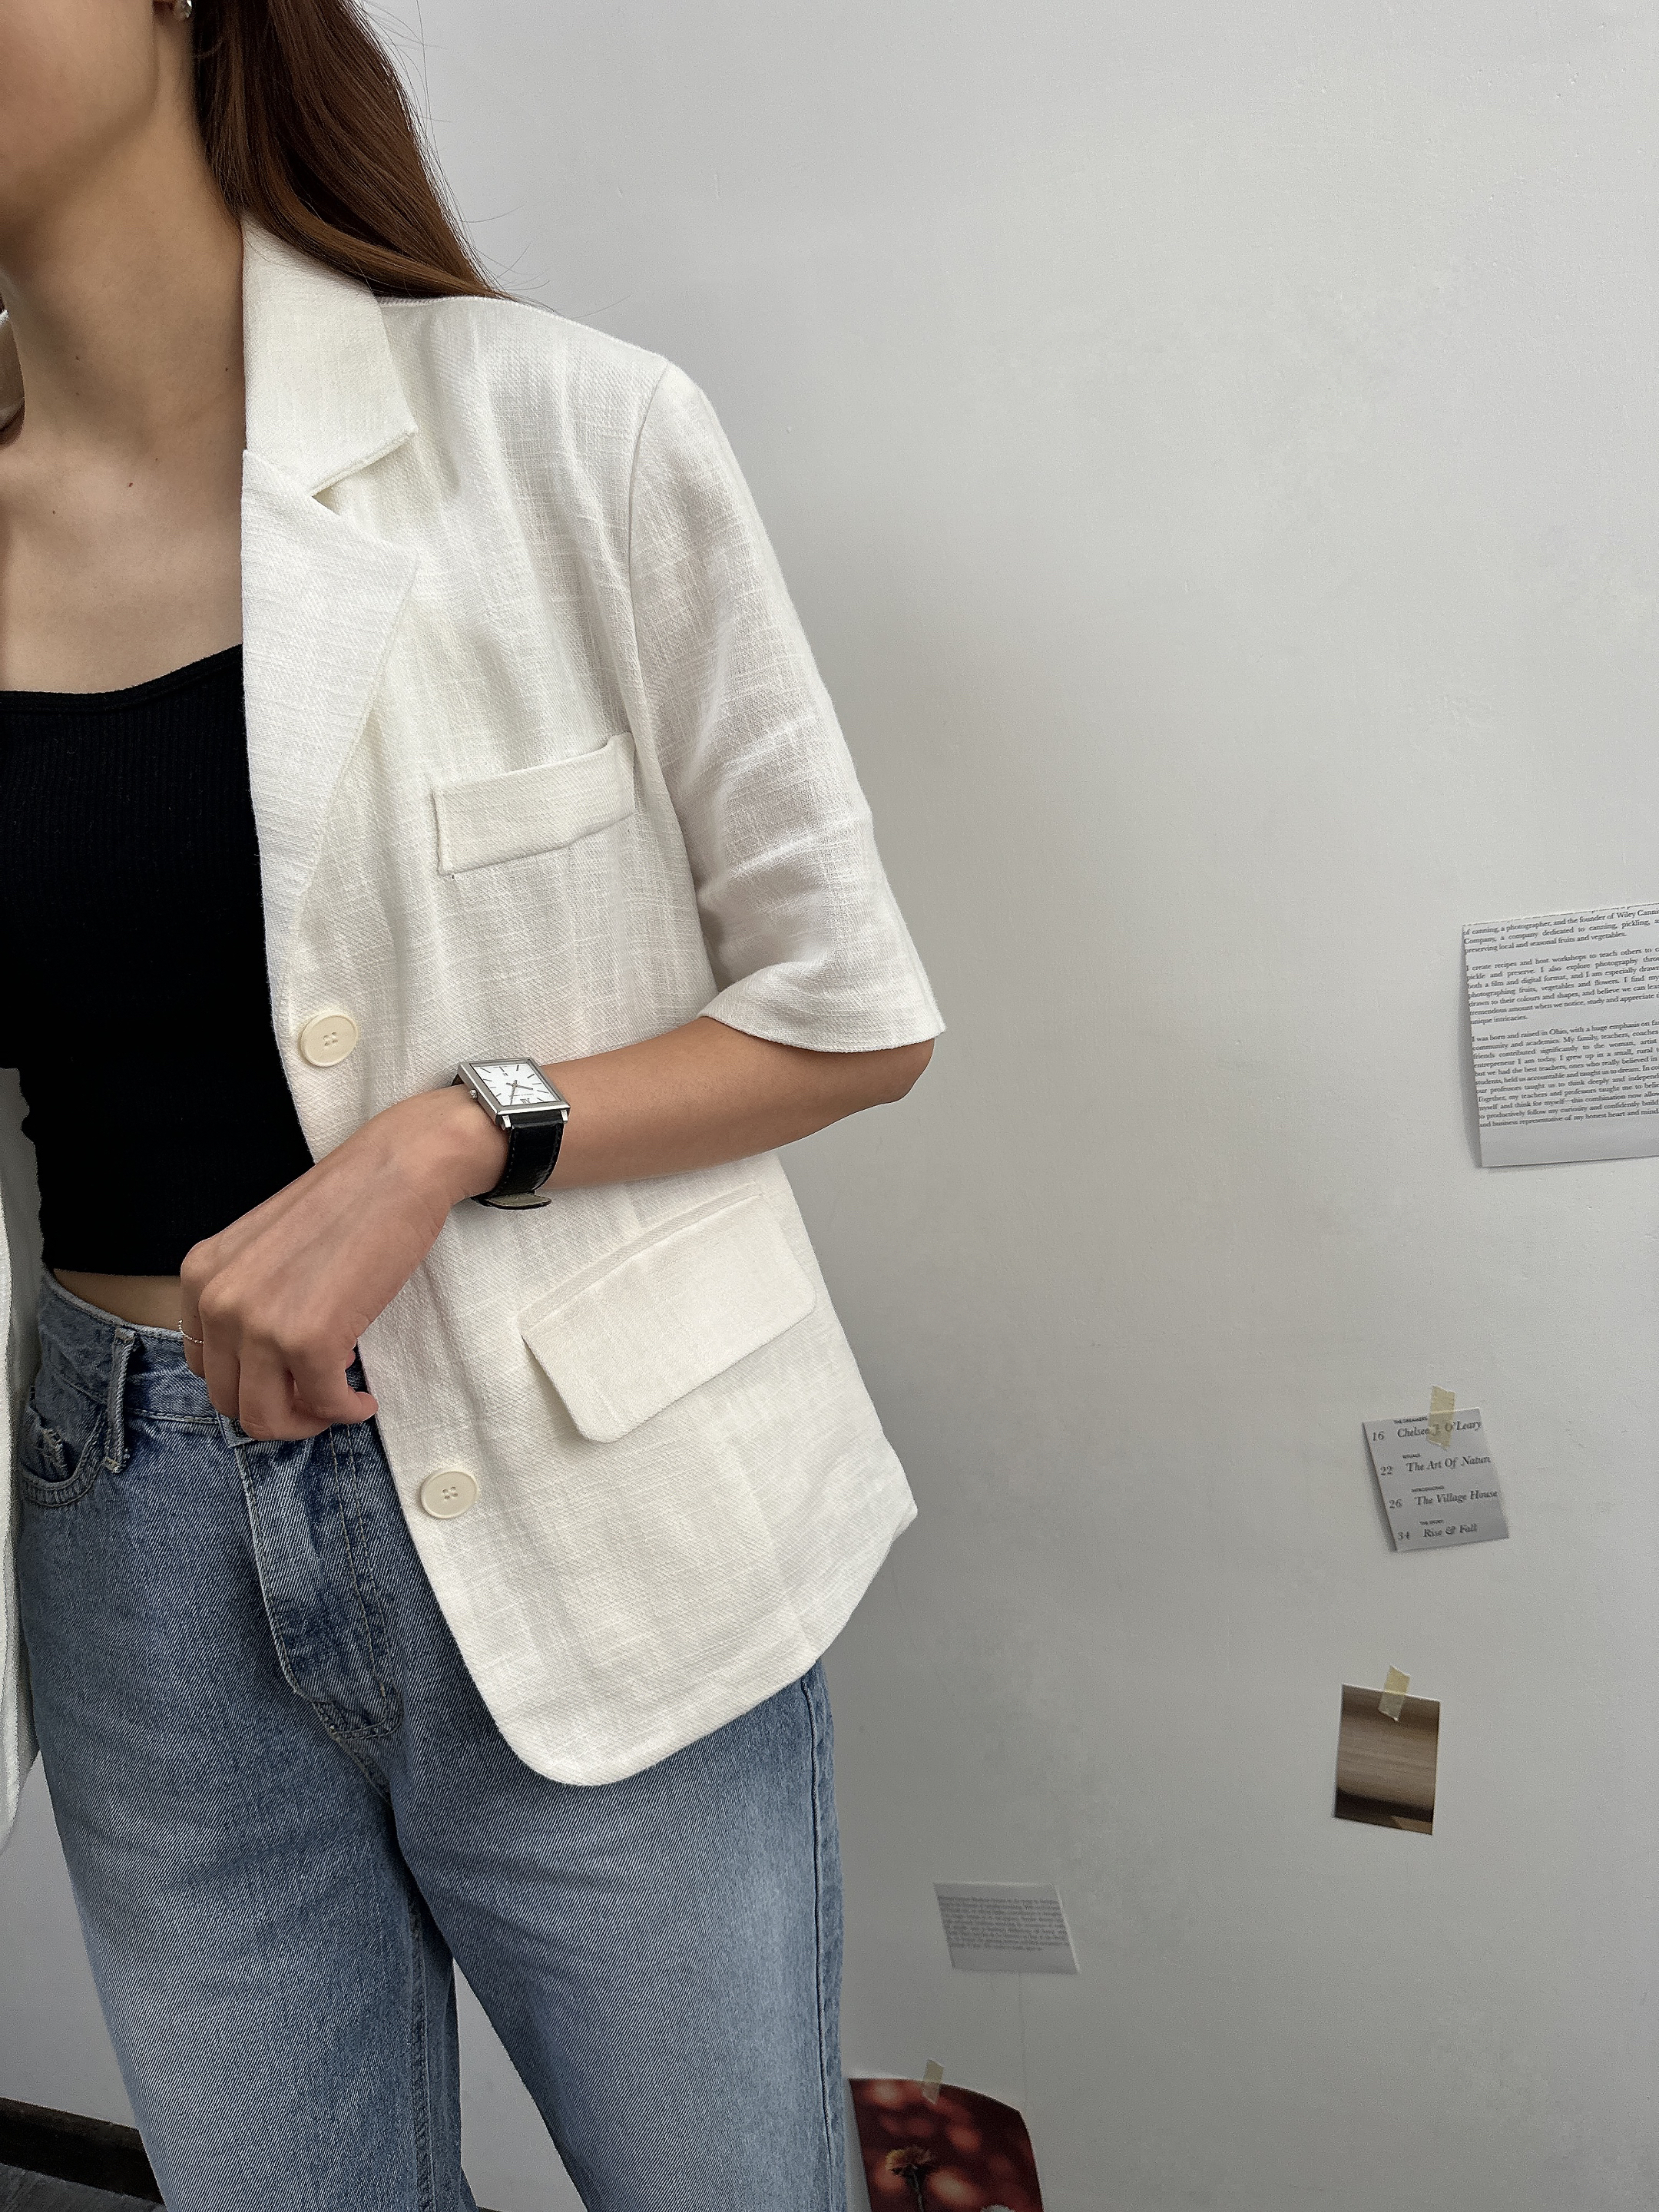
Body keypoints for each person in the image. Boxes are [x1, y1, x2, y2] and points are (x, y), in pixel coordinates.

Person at [0, 2, 942, 2206]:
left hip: (586, 1490)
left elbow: (850, 1011)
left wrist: (452, 1130)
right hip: (127, 1550)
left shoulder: (559, 430)